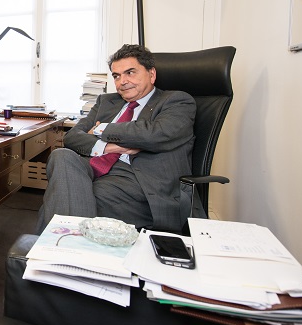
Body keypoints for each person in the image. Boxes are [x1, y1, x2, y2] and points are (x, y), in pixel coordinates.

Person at [35, 44, 200, 235]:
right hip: (94, 167)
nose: (123, 81)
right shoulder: (107, 102)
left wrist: (101, 128)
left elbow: (154, 134)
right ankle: (68, 251)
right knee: (61, 156)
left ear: (151, 74)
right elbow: (72, 137)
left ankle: (54, 253)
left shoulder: (176, 101)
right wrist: (109, 148)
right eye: (116, 76)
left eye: (130, 72)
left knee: (64, 195)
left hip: (140, 181)